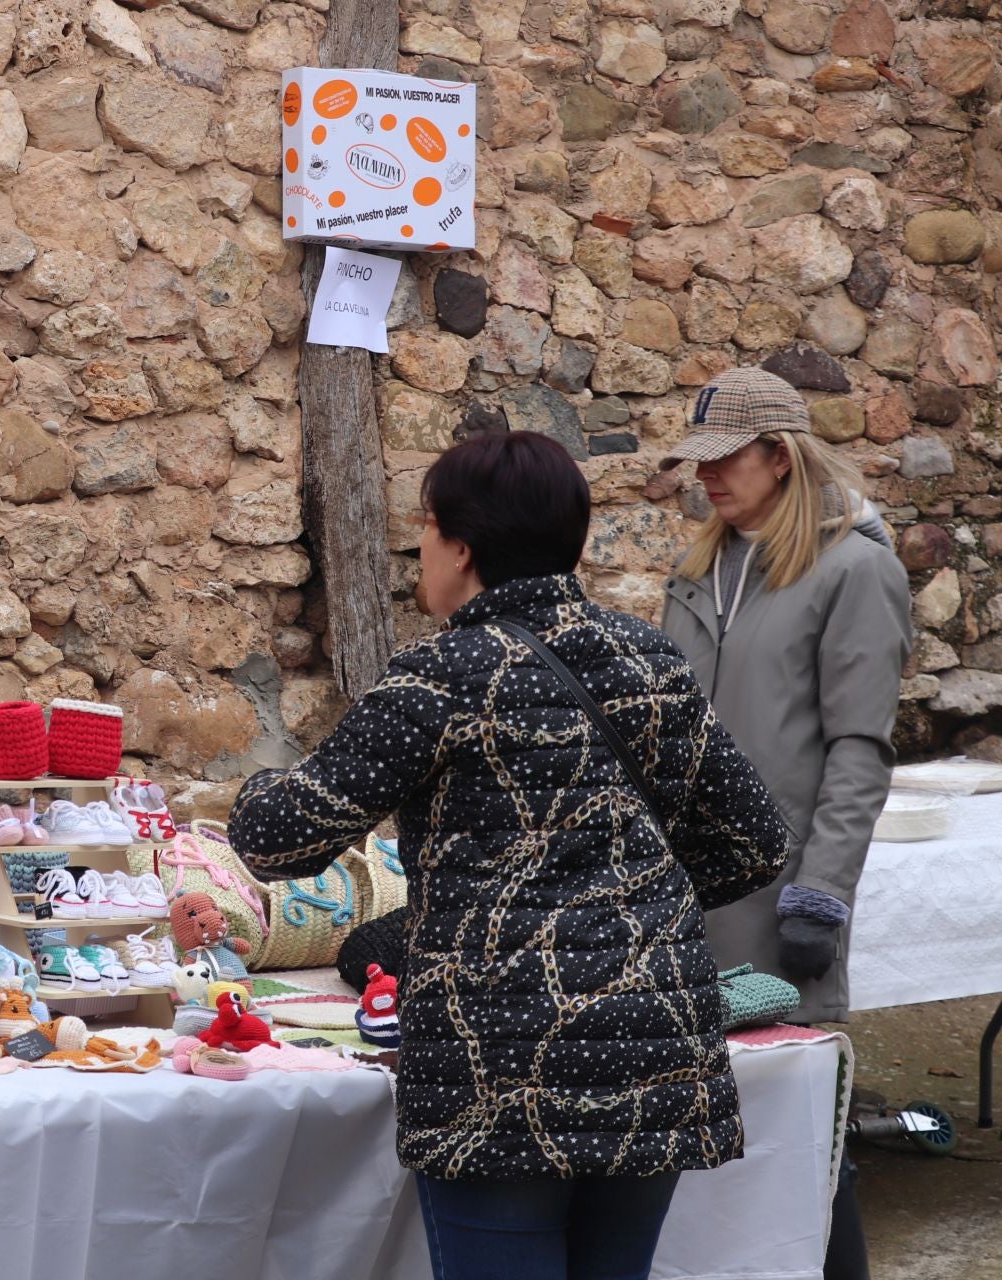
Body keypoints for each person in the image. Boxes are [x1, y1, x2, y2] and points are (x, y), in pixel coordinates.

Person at [228, 432, 789, 1280]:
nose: (420, 547)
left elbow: (277, 839)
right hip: (652, 1044)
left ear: (460, 543)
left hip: (502, 1065)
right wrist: (629, 906)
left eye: (424, 527)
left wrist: (242, 797)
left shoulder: (442, 676)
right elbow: (755, 841)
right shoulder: (649, 658)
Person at [659, 367, 913, 1280]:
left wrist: (822, 892)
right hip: (685, 898)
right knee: (702, 1141)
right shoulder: (695, 573)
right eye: (699, 463)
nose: (707, 478)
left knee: (806, 1143)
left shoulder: (856, 569)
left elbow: (859, 746)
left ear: (780, 455)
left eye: (725, 460)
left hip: (782, 900)